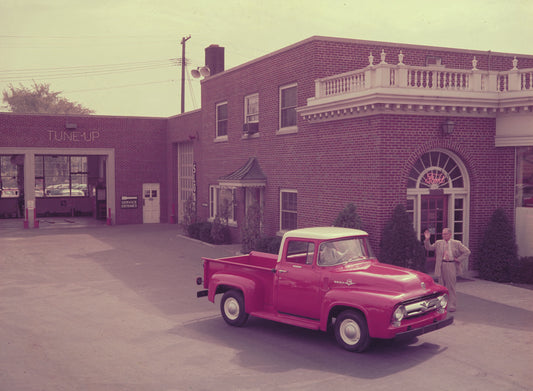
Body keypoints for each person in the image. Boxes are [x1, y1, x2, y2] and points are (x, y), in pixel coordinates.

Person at [424, 228, 470, 312]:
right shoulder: (438, 243)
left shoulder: (456, 243)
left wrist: (459, 259)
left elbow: (467, 252)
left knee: (451, 286)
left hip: (451, 265)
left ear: (450, 234)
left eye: (445, 234)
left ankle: (452, 305)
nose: (443, 235)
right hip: (441, 265)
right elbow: (429, 248)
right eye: (442, 234)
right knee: (441, 286)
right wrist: (427, 239)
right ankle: (441, 304)